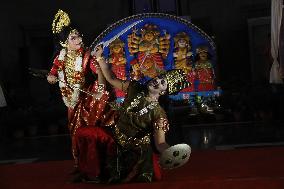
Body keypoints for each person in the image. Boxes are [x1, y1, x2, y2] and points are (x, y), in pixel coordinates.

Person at [73, 45, 189, 183]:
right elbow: (110, 78)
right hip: (115, 135)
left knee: (125, 177)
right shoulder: (135, 87)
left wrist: (171, 153)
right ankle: (89, 170)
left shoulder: (159, 114)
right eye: (160, 77)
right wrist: (99, 57)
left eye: (162, 83)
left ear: (163, 92)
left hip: (135, 149)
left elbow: (160, 143)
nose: (157, 81)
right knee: (83, 133)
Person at [46, 10, 111, 170]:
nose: (79, 39)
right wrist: (51, 77)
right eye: (73, 38)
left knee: (90, 129)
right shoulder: (60, 57)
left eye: (79, 36)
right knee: (75, 131)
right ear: (64, 42)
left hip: (88, 101)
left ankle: (97, 161)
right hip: (70, 101)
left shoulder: (87, 55)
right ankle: (80, 163)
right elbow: (53, 72)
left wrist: (101, 62)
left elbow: (98, 71)